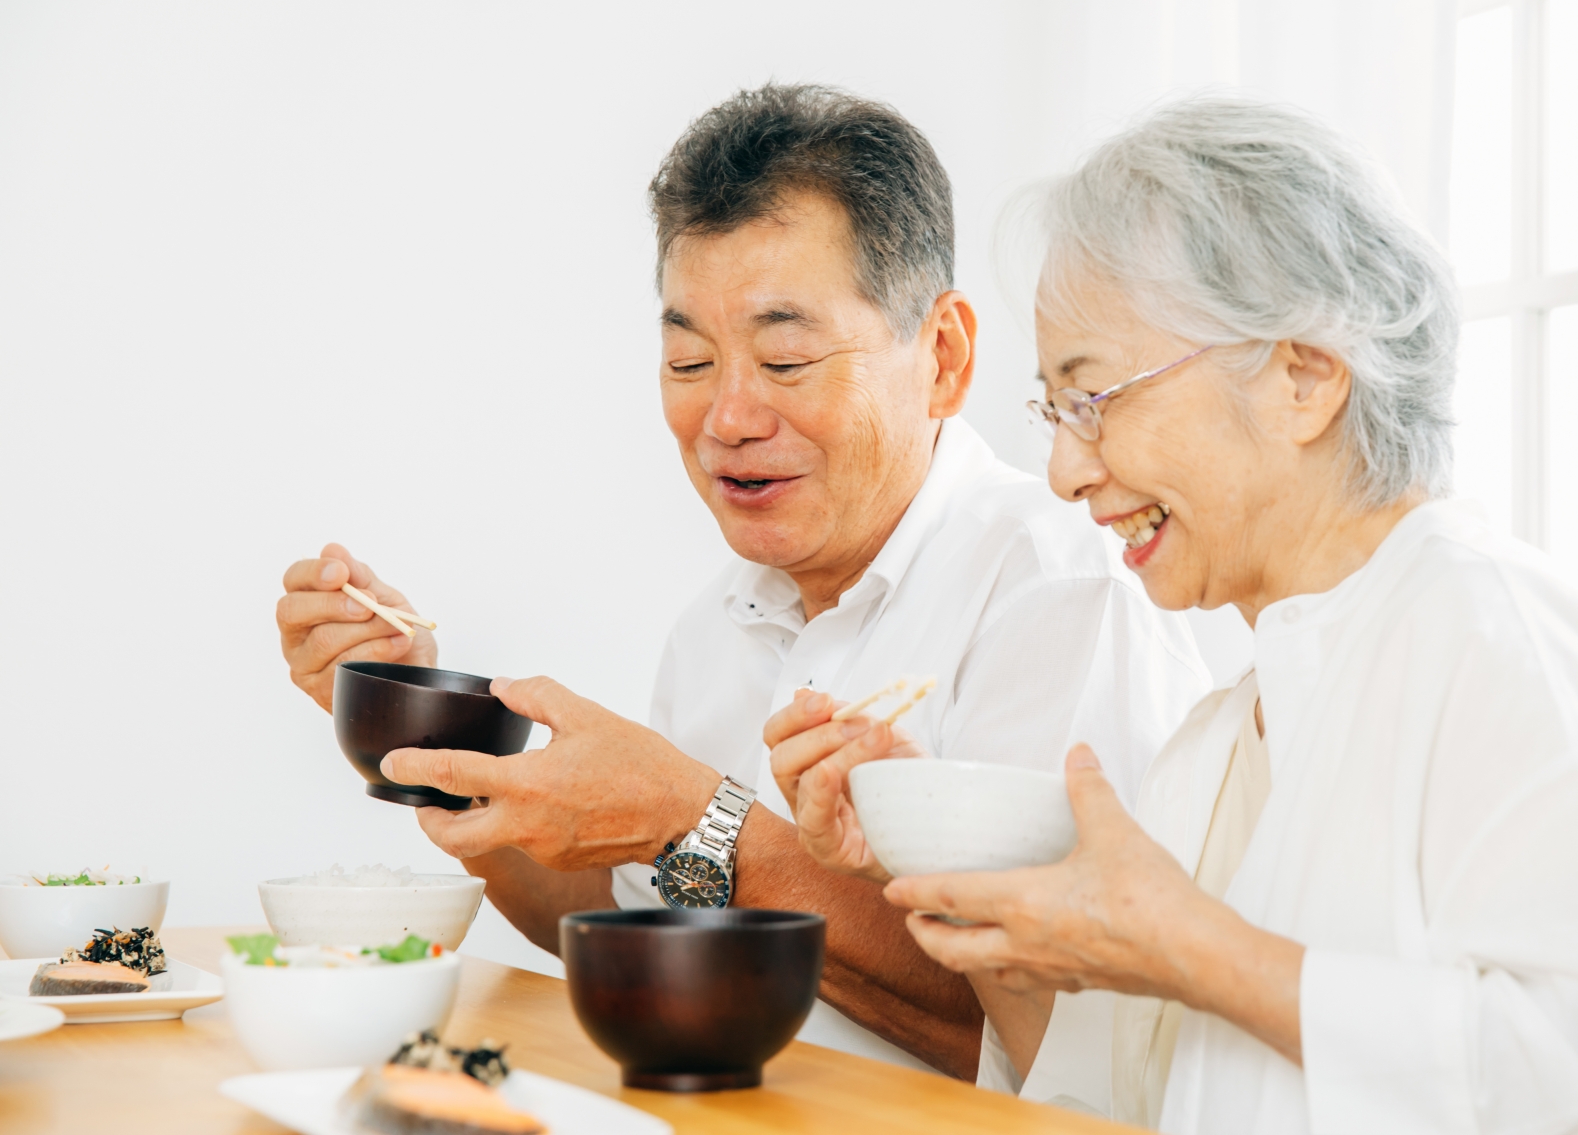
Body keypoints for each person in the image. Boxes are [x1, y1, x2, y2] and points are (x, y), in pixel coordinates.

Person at [768, 97, 1578, 1131]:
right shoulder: (1221, 739)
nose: (1062, 468)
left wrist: (1192, 944)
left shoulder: (1492, 631)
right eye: (1055, 410)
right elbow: (1114, 1104)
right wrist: (950, 879)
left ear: (1303, 378)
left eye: (1094, 396)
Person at [273, 83, 1210, 1080]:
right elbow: (643, 920)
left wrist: (697, 813)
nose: (727, 416)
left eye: (785, 355)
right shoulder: (720, 622)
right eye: (689, 360)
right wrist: (434, 742)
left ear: (941, 356)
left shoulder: (1058, 590)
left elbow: (1072, 1043)